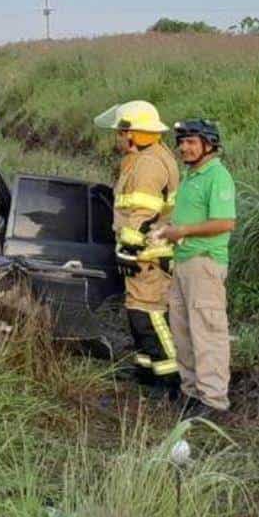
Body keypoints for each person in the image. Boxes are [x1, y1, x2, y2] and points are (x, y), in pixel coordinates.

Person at [94, 100, 180, 394]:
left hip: (149, 256)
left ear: (135, 134)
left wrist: (128, 249)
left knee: (150, 316)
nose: (117, 137)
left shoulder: (149, 164)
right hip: (144, 254)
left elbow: (143, 214)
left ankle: (170, 377)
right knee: (137, 313)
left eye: (121, 132)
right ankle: (147, 370)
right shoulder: (142, 157)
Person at [153, 120, 237, 420]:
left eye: (191, 142)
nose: (184, 147)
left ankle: (214, 401)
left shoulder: (217, 176)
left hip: (204, 263)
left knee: (208, 332)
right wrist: (167, 230)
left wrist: (184, 230)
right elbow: (186, 219)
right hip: (184, 263)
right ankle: (191, 392)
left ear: (209, 144)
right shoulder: (191, 175)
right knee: (183, 329)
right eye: (182, 142)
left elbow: (226, 222)